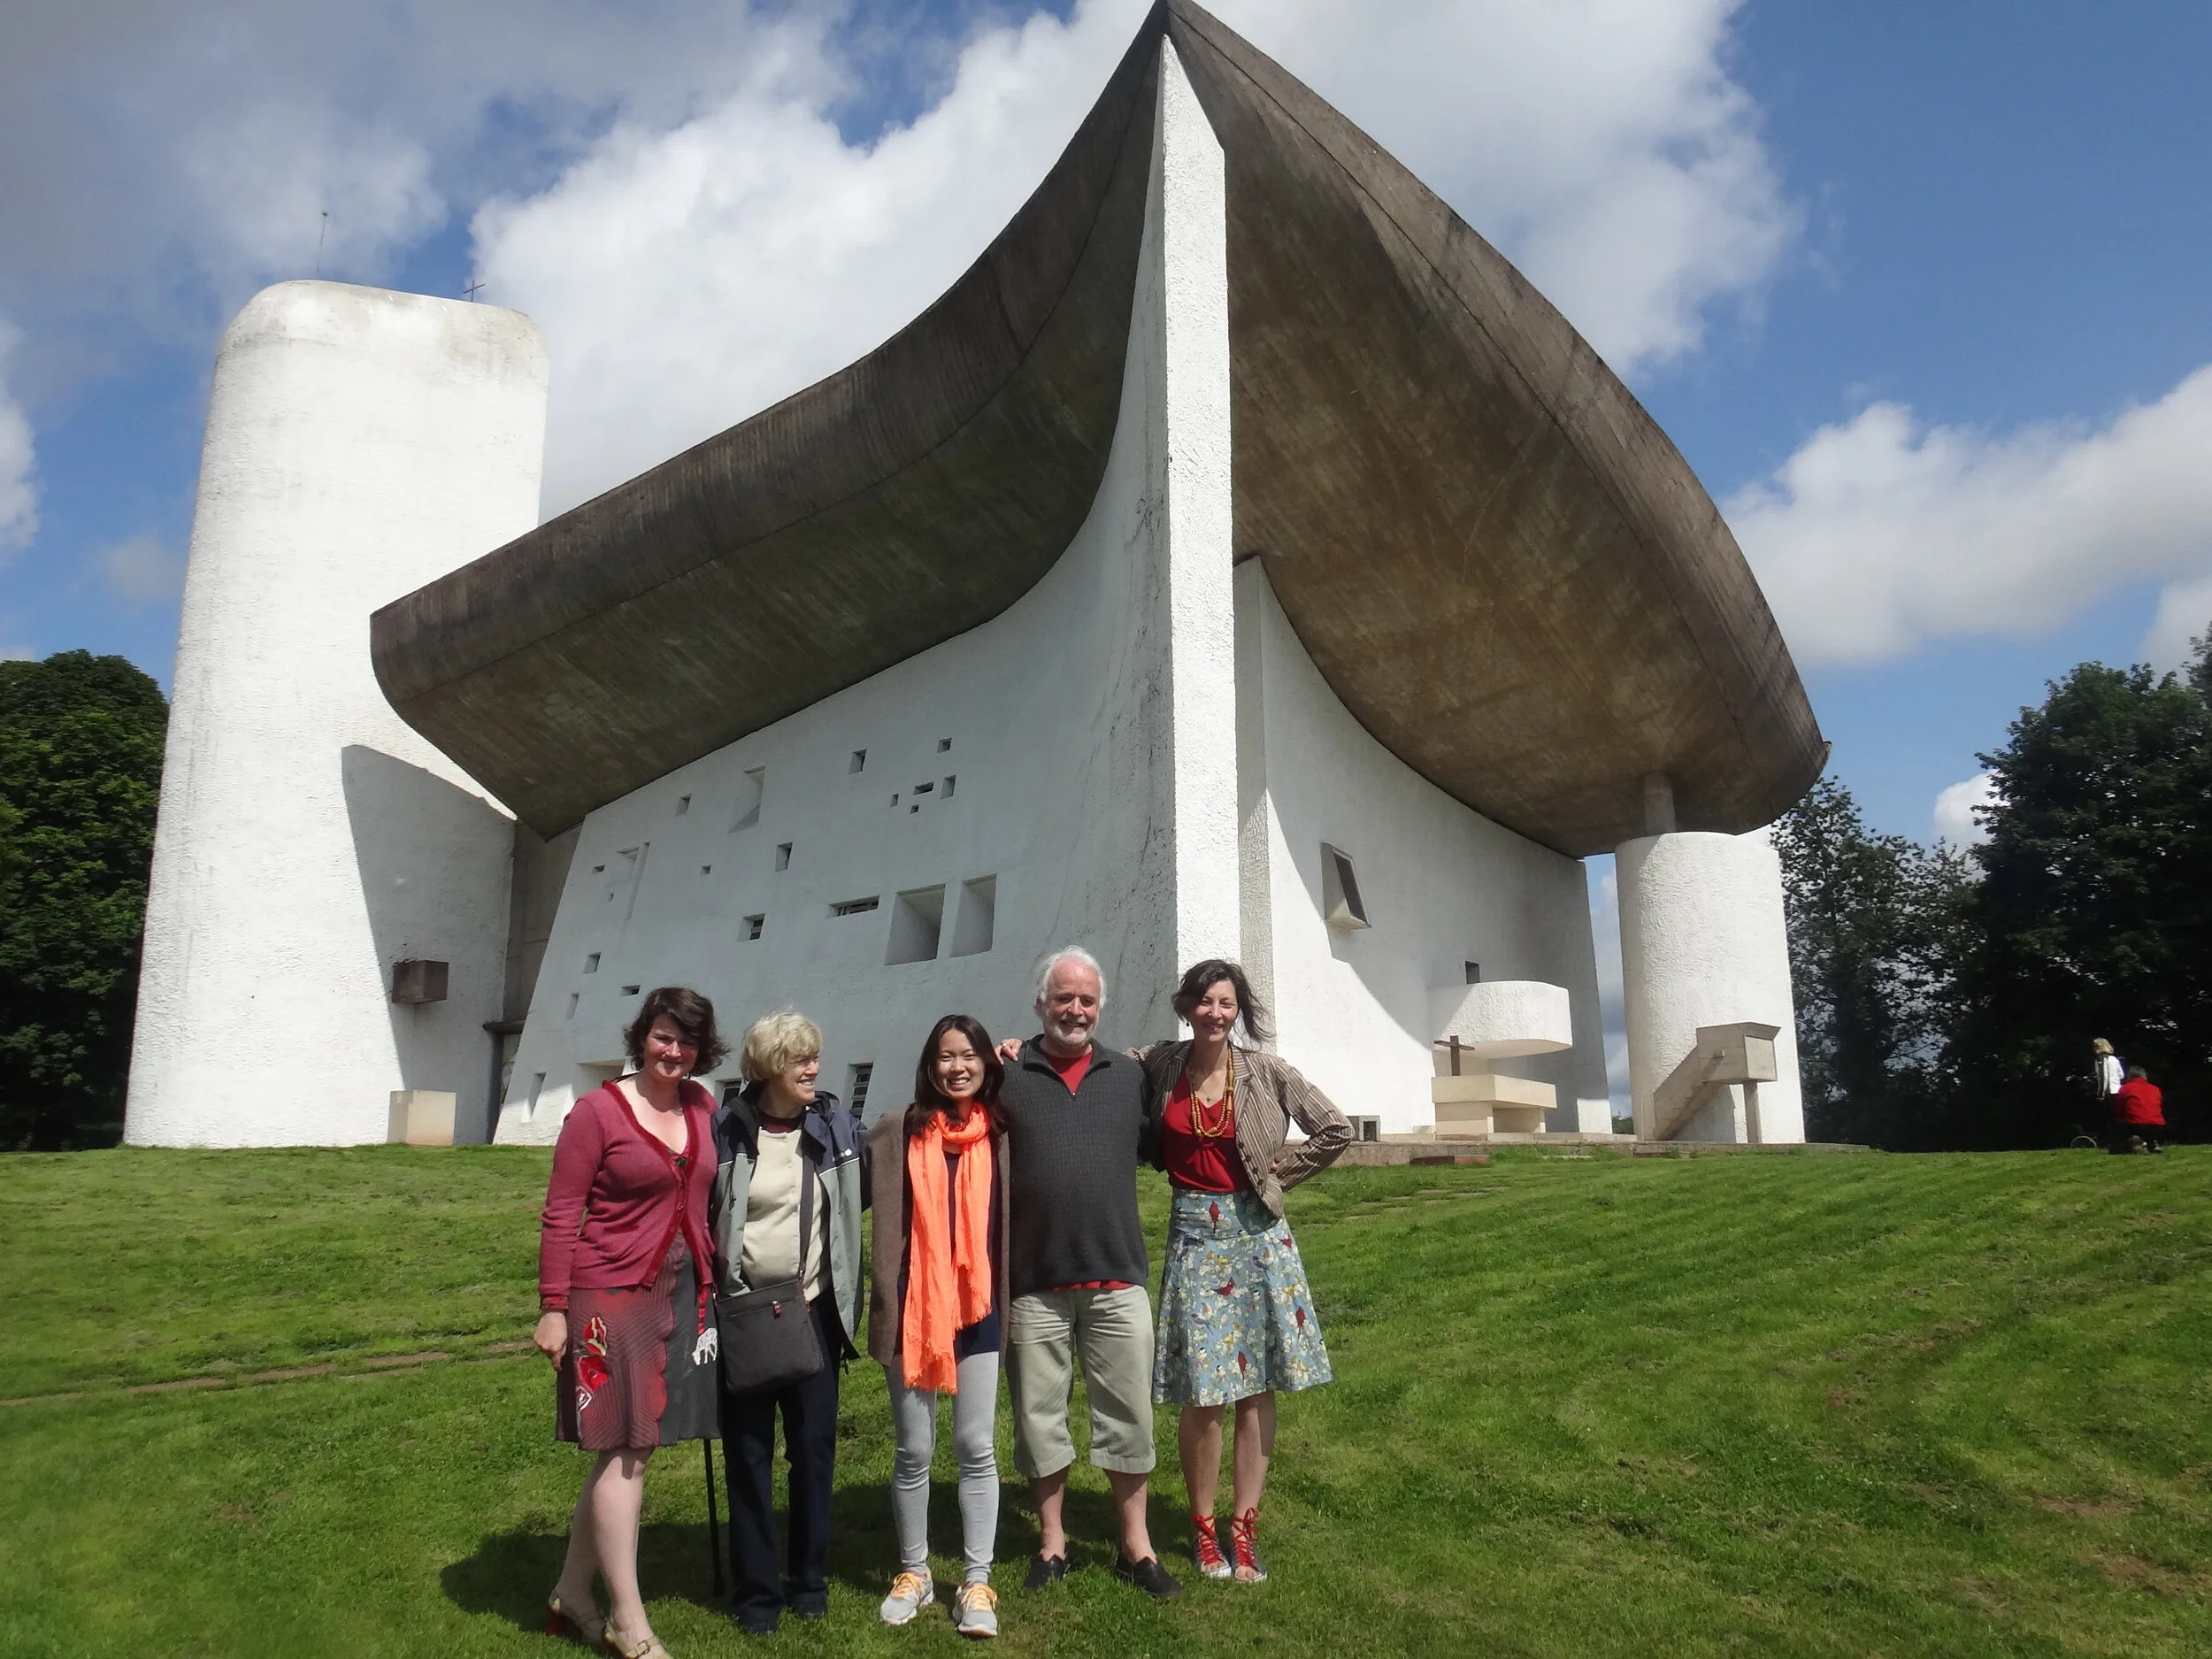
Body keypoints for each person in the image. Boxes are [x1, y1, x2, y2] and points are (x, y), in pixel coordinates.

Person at [1135, 960, 1350, 1584]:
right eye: (1204, 1002)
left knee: (1257, 1389)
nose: (1215, 1013)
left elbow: (1334, 1127)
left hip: (1258, 1239)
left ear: (1239, 1010)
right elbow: (1093, 1061)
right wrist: (1022, 1049)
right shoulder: (1161, 1063)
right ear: (1186, 1007)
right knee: (1203, 1394)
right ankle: (1204, 1530)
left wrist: (1279, 1175)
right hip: (1193, 1236)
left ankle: (1243, 1529)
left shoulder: (1265, 1071)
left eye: (1226, 1003)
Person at [536, 987, 726, 1659]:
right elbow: (563, 1211)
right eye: (663, 1036)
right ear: (642, 1037)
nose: (674, 1051)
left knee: (624, 1449)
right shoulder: (597, 1112)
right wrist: (553, 1306)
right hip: (608, 1298)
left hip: (677, 1293)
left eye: (687, 1041)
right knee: (628, 1451)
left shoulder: (703, 1106)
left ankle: (571, 1593)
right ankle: (628, 1618)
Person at [995, 948, 1182, 1600]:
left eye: (1086, 1000)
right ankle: (1053, 1542)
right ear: (1040, 1004)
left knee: (1129, 1416)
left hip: (1116, 1276)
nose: (1075, 1010)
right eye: (1063, 998)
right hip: (1034, 1279)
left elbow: (1170, 1145)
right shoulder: (1006, 1072)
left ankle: (1136, 1545)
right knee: (1038, 1417)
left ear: (1099, 1007)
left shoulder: (1127, 1076)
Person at [710, 1011, 866, 1636]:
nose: (814, 1069)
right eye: (801, 1059)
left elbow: (896, 1149)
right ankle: (756, 1593)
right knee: (748, 1457)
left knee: (813, 1453)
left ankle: (809, 1581)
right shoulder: (727, 1129)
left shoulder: (834, 1124)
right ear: (771, 1066)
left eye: (814, 1057)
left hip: (815, 1314)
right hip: (746, 1316)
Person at [863, 1015, 1010, 1638]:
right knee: (914, 1448)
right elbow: (842, 1192)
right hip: (914, 1308)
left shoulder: (1000, 1132)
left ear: (986, 1063)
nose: (958, 1067)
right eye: (947, 1056)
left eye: (970, 1055)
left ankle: (976, 1581)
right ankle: (915, 1571)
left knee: (976, 1445)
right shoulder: (898, 1129)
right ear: (930, 1065)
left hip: (977, 1307)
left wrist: (1023, 1055)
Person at [2112, 1064, 2166, 1155]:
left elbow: (2118, 1108)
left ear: (2129, 1077)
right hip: (2156, 1123)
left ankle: (2132, 1143)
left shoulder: (2125, 1088)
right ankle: (2152, 1144)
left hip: (2135, 1123)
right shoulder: (2155, 1089)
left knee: (2119, 1122)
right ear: (2144, 1076)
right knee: (2148, 1128)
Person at [2092, 1038, 2124, 1102]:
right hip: (2118, 1090)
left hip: (2107, 1093)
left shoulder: (2101, 1059)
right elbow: (2121, 1075)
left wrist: (2101, 1094)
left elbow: (2103, 1077)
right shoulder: (2114, 1058)